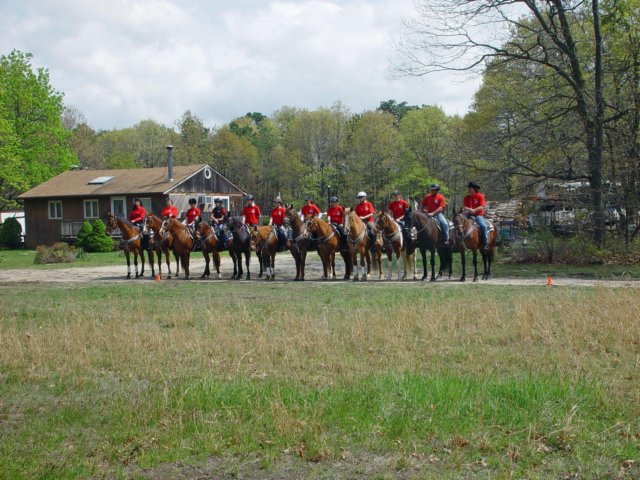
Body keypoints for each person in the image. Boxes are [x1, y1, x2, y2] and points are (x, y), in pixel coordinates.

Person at [463, 181, 488, 251]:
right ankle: (459, 242)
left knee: (483, 226)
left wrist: (473, 210)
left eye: (469, 188)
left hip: (478, 215)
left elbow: (482, 206)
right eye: (468, 188)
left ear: (474, 189)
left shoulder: (480, 196)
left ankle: (485, 243)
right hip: (468, 215)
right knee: (459, 223)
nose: (468, 190)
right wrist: (468, 210)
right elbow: (465, 207)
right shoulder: (466, 197)